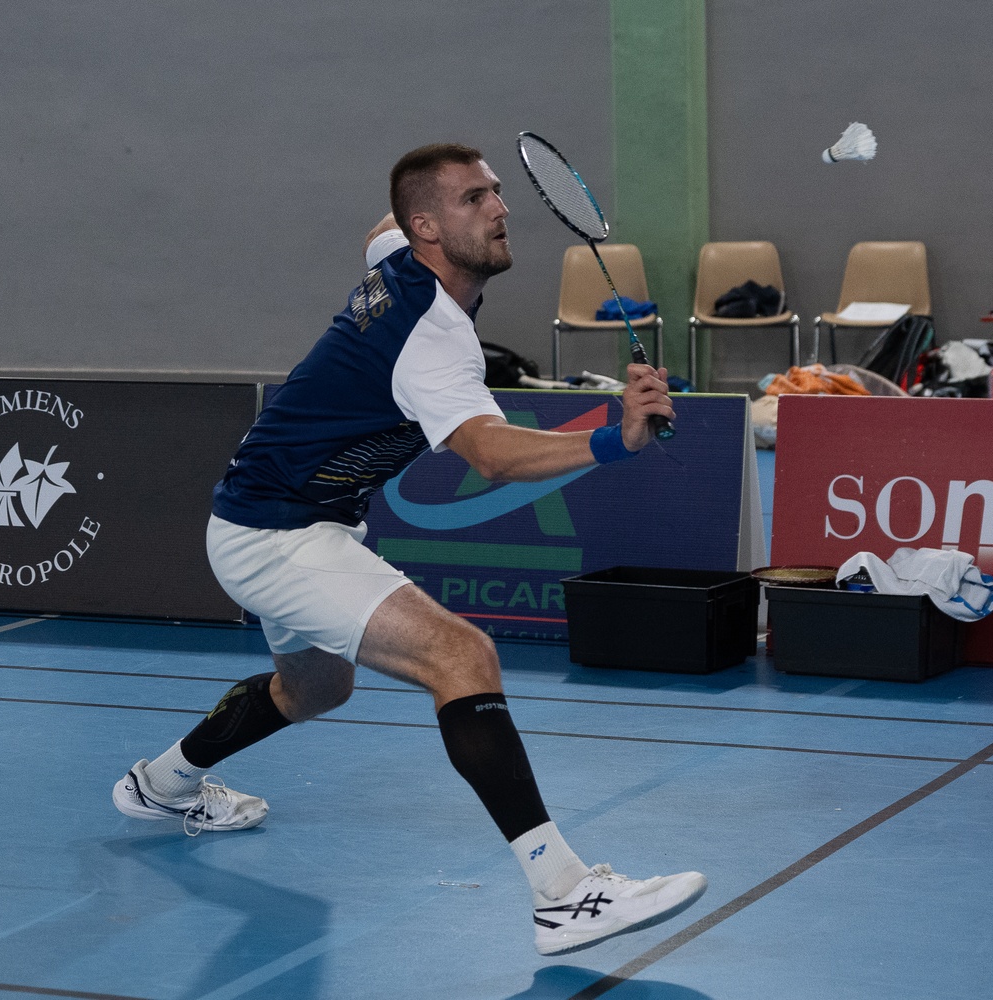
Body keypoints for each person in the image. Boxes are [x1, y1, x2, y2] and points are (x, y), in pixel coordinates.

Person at [111, 142, 704, 955]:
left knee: (317, 690)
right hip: (274, 537)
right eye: (474, 200)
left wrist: (427, 203)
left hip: (277, 515)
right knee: (462, 655)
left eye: (496, 193)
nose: (500, 208)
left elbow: (381, 226)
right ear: (429, 227)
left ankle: (162, 783)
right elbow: (491, 455)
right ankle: (563, 894)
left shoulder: (400, 254)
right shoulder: (432, 337)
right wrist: (614, 438)